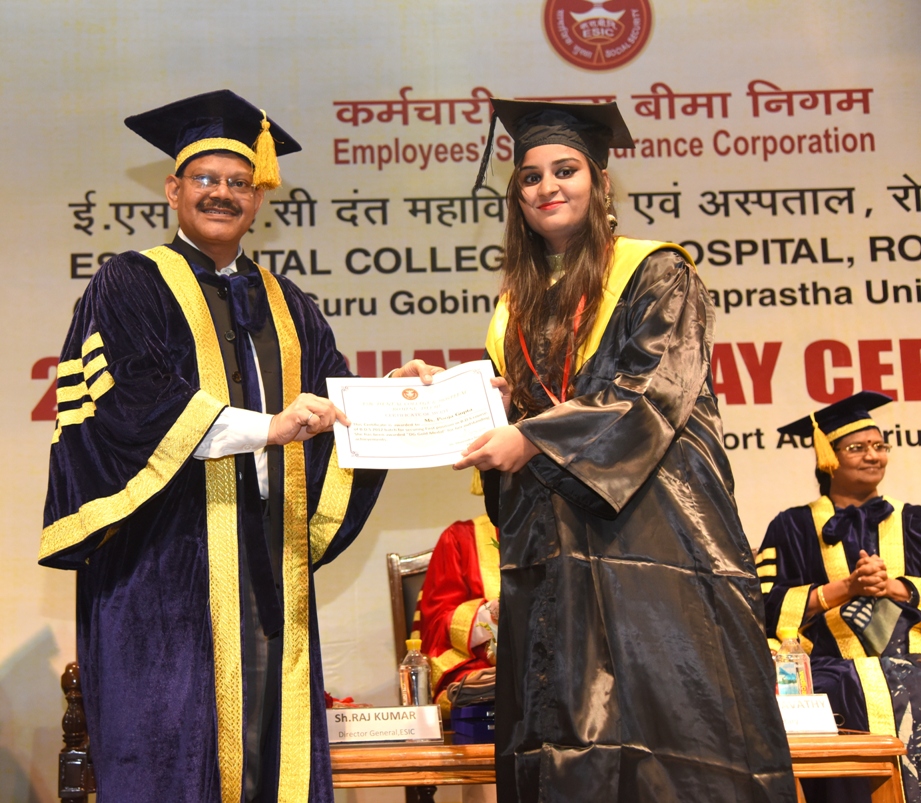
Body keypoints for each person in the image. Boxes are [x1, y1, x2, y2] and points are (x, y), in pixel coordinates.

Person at [38, 90, 441, 803]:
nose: (221, 193)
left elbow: (332, 410)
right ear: (174, 189)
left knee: (269, 752)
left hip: (264, 561)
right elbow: (132, 401)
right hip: (160, 562)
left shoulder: (290, 305)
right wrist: (268, 427)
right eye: (205, 178)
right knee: (167, 747)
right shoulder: (129, 282)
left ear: (258, 199)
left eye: (239, 182)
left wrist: (400, 396)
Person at [453, 98, 796, 802]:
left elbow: (649, 391)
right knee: (566, 725)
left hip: (656, 535)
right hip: (556, 544)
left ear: (600, 181)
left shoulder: (657, 272)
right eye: (530, 177)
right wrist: (450, 395)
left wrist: (532, 435)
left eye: (566, 170)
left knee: (674, 726)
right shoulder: (517, 303)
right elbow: (526, 401)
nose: (547, 186)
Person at [758, 391, 921, 803]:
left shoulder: (915, 521)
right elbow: (761, 606)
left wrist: (894, 587)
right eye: (858, 448)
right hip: (830, 665)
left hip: (915, 659)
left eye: (880, 446)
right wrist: (846, 589)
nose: (873, 456)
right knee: (837, 686)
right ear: (828, 457)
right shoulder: (791, 526)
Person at [417, 513, 500, 707]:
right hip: (484, 673)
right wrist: (493, 614)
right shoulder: (460, 538)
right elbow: (437, 625)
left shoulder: (566, 537)